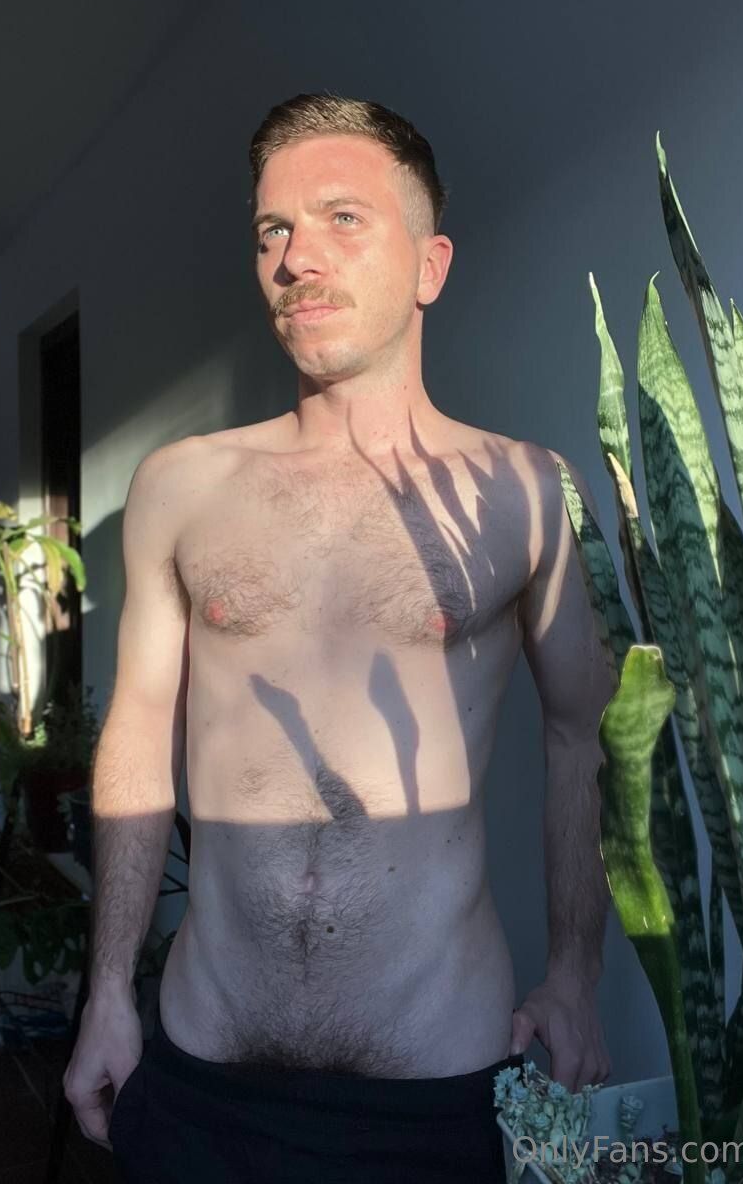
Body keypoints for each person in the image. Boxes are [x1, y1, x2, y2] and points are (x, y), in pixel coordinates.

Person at [63, 92, 613, 1183]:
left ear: (429, 264)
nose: (296, 258)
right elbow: (138, 731)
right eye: (272, 230)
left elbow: (582, 736)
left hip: (437, 1078)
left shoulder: (524, 492)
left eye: (341, 218)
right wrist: (108, 990)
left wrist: (574, 973)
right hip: (202, 1066)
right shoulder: (179, 486)